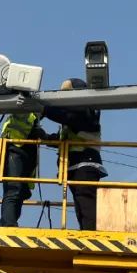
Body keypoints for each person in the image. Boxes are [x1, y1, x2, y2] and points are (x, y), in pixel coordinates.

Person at [44, 78, 107, 231]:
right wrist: (44, 137)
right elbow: (65, 137)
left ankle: (91, 235)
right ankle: (86, 231)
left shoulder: (86, 113)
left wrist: (44, 109)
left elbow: (69, 118)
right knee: (80, 204)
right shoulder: (75, 118)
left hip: (85, 164)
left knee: (85, 202)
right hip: (75, 167)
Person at [0, 110, 49, 227]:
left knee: (21, 192)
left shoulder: (34, 117)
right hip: (14, 146)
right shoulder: (23, 107)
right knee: (14, 188)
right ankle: (8, 223)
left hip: (25, 151)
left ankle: (7, 221)